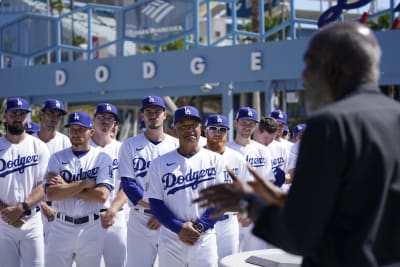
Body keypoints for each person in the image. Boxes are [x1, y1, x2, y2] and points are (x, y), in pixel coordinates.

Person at [194, 21, 400, 266]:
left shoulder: (330, 125)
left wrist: (247, 203)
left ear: (334, 67)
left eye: (311, 63)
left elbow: (299, 234)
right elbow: (358, 208)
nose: (304, 75)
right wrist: (281, 201)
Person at [147, 106, 226, 267]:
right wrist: (179, 228)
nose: (189, 130)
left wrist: (199, 227)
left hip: (204, 238)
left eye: (193, 125)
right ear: (174, 130)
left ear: (201, 128)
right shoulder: (159, 163)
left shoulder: (216, 160)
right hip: (171, 238)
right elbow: (156, 204)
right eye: (183, 126)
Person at [44, 111, 114, 267]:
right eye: (72, 129)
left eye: (80, 129)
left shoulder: (102, 158)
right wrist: (82, 184)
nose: (75, 133)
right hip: (61, 226)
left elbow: (102, 195)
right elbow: (51, 194)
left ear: (91, 132)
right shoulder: (56, 158)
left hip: (91, 226)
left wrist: (66, 187)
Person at [119, 96, 179, 267]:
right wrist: (158, 210)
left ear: (165, 115)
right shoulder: (129, 145)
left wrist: (163, 216)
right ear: (142, 115)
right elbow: (129, 186)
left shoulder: (176, 145)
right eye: (149, 112)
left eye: (157, 111)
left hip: (170, 219)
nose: (153, 115)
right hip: (140, 220)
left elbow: (178, 187)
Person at [0, 97, 50, 267]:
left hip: (32, 221)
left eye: (22, 114)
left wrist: (21, 209)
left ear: (27, 117)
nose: (18, 117)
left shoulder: (39, 146)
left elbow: (44, 185)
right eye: (14, 113)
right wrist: (7, 214)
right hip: (2, 223)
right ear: (5, 116)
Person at [203, 114, 252, 260]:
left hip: (228, 221)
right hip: (203, 220)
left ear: (227, 132)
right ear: (205, 131)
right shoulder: (196, 156)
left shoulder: (237, 158)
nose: (218, 133)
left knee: (228, 262)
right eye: (213, 129)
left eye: (222, 129)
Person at [226, 106, 274, 251]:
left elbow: (267, 184)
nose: (247, 127)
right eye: (244, 122)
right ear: (235, 123)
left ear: (256, 126)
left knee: (255, 258)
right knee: (229, 259)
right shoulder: (225, 150)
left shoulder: (263, 151)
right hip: (231, 214)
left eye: (251, 123)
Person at [90, 103, 127, 267]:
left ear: (115, 124)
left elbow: (127, 186)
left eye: (110, 118)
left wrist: (111, 211)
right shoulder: (83, 148)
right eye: (102, 117)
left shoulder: (123, 149)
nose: (106, 121)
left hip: (116, 216)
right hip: (88, 216)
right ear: (93, 120)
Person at [33, 99, 71, 238]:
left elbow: (70, 177)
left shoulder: (66, 142)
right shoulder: (30, 142)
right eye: (51, 113)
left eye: (58, 115)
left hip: (59, 208)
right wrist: (42, 205)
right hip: (33, 208)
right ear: (41, 114)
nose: (54, 118)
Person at [254, 116, 289, 187]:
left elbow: (290, 175)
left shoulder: (282, 148)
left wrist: (281, 178)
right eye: (265, 138)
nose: (268, 141)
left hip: (279, 194)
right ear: (257, 131)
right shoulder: (249, 150)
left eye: (271, 138)